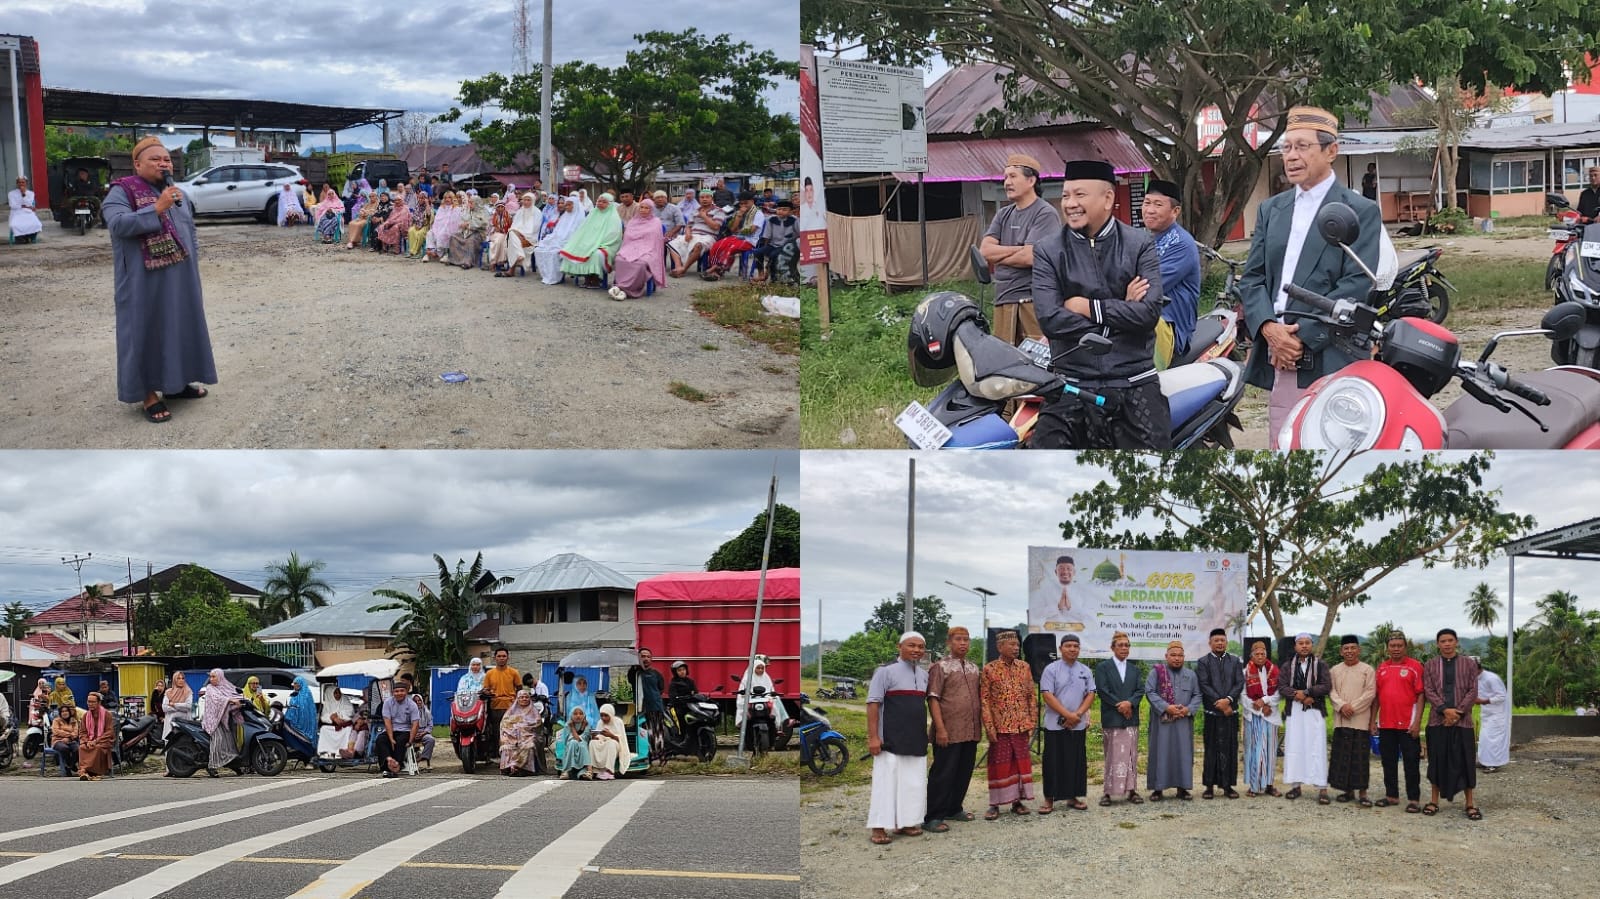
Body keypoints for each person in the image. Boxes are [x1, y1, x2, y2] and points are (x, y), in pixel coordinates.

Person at [1236, 107, 1382, 446]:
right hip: (1280, 353)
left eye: (1302, 146)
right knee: (1285, 444)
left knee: (1330, 448)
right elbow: (1253, 278)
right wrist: (1270, 330)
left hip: (1328, 352)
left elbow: (1356, 286)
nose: (1291, 156)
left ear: (1331, 151)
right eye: (1287, 148)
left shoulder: (1360, 211)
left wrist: (1301, 339)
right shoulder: (1272, 209)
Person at [1032, 158, 1168, 449]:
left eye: (1079, 195)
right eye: (1066, 195)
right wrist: (1121, 307)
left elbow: (1147, 313)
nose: (1070, 203)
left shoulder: (1139, 244)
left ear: (1107, 198)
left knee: (1151, 477)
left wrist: (1085, 306)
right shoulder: (1048, 250)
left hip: (1133, 379)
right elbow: (1050, 318)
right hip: (1072, 380)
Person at [103, 136, 218, 424]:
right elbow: (117, 224)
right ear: (137, 163)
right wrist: (155, 208)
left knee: (179, 325)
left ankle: (176, 385)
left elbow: (189, 230)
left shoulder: (176, 193)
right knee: (144, 330)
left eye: (166, 159)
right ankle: (148, 394)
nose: (163, 163)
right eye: (155, 159)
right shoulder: (122, 191)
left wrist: (193, 262)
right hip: (142, 280)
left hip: (180, 277)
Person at [978, 154, 1061, 346]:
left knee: (1036, 362)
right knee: (1005, 363)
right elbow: (985, 251)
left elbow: (1031, 257)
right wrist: (1020, 249)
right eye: (1006, 177)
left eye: (1013, 176)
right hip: (1004, 299)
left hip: (1032, 300)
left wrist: (1002, 254)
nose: (1007, 182)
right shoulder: (1003, 214)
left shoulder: (1045, 213)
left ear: (1031, 180)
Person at [866, 632, 930, 845]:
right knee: (886, 783)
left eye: (921, 647)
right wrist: (873, 737)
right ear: (899, 646)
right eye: (912, 645)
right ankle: (878, 826)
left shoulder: (923, 675)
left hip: (915, 738)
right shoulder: (885, 672)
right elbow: (873, 704)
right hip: (890, 740)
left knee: (913, 782)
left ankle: (907, 822)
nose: (917, 650)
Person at [924, 625, 981, 831]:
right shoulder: (940, 667)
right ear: (949, 642)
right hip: (948, 731)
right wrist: (940, 729)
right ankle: (933, 816)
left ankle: (954, 808)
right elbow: (933, 698)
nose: (963, 643)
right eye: (958, 639)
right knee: (943, 772)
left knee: (963, 771)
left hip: (971, 730)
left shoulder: (974, 668)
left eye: (966, 639)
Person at [1140, 180, 1201, 369]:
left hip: (1166, 325)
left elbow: (1147, 286)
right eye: (1147, 202)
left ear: (1175, 211)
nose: (1149, 210)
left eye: (1158, 205)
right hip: (1139, 316)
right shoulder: (1144, 238)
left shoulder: (1181, 243)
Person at [1423, 628, 1482, 819]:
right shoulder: (1430, 665)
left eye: (1450, 640)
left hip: (1463, 722)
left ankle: (1470, 803)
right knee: (1437, 761)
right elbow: (1428, 690)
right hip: (1437, 721)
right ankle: (1433, 801)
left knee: (1465, 762)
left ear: (1457, 642)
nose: (1447, 644)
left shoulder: (1469, 664)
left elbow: (1473, 690)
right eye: (1443, 641)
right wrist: (1444, 710)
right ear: (1437, 644)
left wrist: (1457, 712)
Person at [980, 630, 1036, 819]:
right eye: (1012, 645)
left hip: (1021, 725)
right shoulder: (989, 669)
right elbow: (985, 700)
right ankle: (994, 804)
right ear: (999, 647)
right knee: (999, 765)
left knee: (1020, 765)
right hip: (1000, 727)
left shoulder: (1024, 667)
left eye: (1017, 645)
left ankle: (1017, 802)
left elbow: (1031, 696)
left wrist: (1032, 722)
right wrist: (989, 727)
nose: (1016, 648)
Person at [1038, 633, 1096, 813]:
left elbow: (1091, 694)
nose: (1072, 649)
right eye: (1068, 645)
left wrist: (1077, 715)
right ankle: (1049, 799)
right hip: (1055, 724)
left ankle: (1072, 796)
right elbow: (1047, 694)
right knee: (1053, 761)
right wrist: (1066, 715)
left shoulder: (1085, 670)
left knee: (1075, 761)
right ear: (1060, 648)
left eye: (1076, 646)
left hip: (1077, 724)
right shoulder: (1051, 669)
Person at [1371, 632, 1424, 811]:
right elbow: (1377, 697)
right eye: (1392, 646)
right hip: (1386, 724)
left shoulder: (1415, 666)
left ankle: (1414, 799)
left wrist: (1417, 723)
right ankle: (1391, 795)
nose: (1396, 649)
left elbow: (1421, 695)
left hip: (1408, 725)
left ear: (1405, 647)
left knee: (1411, 762)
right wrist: (1373, 721)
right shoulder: (1382, 667)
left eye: (1399, 645)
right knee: (1388, 762)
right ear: (1387, 648)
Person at [1144, 639, 1202, 800]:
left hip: (1183, 721)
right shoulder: (1156, 672)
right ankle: (1158, 788)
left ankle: (1182, 788)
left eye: (1180, 655)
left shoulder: (1191, 675)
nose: (1177, 658)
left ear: (1184, 657)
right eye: (1173, 655)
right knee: (1160, 752)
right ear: (1166, 656)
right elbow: (1149, 692)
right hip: (1162, 722)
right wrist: (1166, 707)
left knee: (1183, 753)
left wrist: (1188, 709)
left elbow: (1197, 694)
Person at [1279, 633, 1333, 803]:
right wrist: (1298, 695)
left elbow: (1326, 686)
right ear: (1295, 646)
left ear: (1312, 645)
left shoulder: (1320, 665)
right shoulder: (1288, 666)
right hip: (1294, 711)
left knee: (1317, 747)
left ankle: (1322, 788)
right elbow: (1282, 687)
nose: (1304, 646)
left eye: (1307, 643)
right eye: (1300, 643)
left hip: (1315, 710)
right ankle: (1296, 786)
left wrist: (1309, 693)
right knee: (1294, 747)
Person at [1093, 631, 1144, 805]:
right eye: (1120, 645)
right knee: (1112, 755)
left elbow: (1139, 690)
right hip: (1112, 717)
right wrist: (1120, 706)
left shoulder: (1135, 669)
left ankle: (1131, 791)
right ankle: (1107, 792)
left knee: (1131, 755)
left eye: (1126, 645)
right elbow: (1102, 690)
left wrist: (1129, 704)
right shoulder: (1103, 667)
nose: (1124, 648)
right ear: (1112, 647)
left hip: (1131, 718)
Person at [1195, 627, 1244, 799]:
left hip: (1231, 712)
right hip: (1212, 713)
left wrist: (1229, 700)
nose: (1220, 643)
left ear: (1226, 642)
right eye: (1216, 640)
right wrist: (1220, 703)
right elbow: (1204, 684)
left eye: (1222, 640)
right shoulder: (1203, 662)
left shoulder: (1235, 661)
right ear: (1210, 643)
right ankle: (1209, 786)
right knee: (1211, 749)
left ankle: (1228, 786)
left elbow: (1239, 683)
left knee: (1230, 749)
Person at [1328, 634, 1377, 806]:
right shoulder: (1334, 670)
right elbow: (1331, 691)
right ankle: (1347, 791)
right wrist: (1342, 706)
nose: (1349, 651)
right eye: (1346, 648)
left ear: (1359, 650)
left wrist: (1352, 707)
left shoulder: (1367, 670)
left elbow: (1370, 693)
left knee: (1360, 757)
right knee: (1343, 756)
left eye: (1352, 648)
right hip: (1341, 719)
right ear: (1341, 651)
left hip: (1360, 720)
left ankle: (1363, 793)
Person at [1241, 639, 1282, 797]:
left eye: (1262, 654)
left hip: (1270, 715)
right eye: (1256, 654)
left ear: (1266, 655)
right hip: (1254, 716)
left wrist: (1265, 702)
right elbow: (1242, 697)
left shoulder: (1275, 671)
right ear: (1251, 656)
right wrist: (1258, 707)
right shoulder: (1245, 672)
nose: (1260, 656)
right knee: (1255, 751)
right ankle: (1254, 786)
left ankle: (1270, 785)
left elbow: (1279, 693)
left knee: (1271, 752)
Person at [559, 192, 624, 287]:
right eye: (599, 201)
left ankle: (596, 280)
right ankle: (587, 278)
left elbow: (613, 236)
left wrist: (596, 244)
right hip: (591, 243)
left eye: (604, 202)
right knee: (577, 248)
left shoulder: (614, 217)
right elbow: (583, 231)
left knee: (596, 254)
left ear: (609, 204)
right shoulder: (593, 213)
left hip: (606, 245)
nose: (600, 203)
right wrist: (585, 242)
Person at [609, 198, 668, 300]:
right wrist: (633, 248)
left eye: (646, 208)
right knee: (620, 259)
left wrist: (642, 249)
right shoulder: (633, 221)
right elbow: (627, 238)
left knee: (640, 263)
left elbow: (655, 240)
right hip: (630, 247)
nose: (643, 210)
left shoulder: (656, 222)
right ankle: (621, 287)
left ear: (651, 210)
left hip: (649, 250)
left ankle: (628, 290)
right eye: (641, 207)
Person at [704, 190, 765, 280]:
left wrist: (739, 232)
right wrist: (739, 216)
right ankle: (714, 267)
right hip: (738, 237)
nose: (743, 206)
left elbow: (752, 230)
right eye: (741, 204)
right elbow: (732, 229)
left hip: (750, 240)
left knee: (731, 248)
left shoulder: (758, 213)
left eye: (746, 203)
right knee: (718, 245)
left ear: (752, 202)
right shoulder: (738, 212)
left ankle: (718, 270)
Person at [669, 190, 726, 276]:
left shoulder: (719, 211)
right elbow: (688, 225)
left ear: (712, 198)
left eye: (707, 197)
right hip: (693, 235)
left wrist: (704, 216)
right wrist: (688, 233)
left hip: (708, 236)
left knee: (698, 245)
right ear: (699, 199)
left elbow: (715, 226)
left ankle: (684, 268)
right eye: (702, 197)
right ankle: (678, 267)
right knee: (673, 243)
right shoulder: (696, 211)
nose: (704, 199)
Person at [534, 194, 586, 284]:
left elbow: (576, 236)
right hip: (558, 240)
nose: (567, 207)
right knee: (539, 249)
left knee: (553, 252)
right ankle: (547, 275)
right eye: (567, 204)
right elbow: (556, 232)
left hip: (570, 243)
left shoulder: (579, 219)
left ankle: (555, 277)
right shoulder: (564, 216)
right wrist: (550, 238)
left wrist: (561, 241)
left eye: (570, 205)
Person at [199, 668, 242, 776]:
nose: (211, 679)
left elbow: (233, 693)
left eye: (214, 676)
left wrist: (241, 699)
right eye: (211, 677)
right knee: (218, 740)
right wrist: (230, 700)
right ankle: (211, 766)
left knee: (231, 742)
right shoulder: (210, 688)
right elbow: (217, 699)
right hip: (213, 720)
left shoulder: (225, 686)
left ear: (220, 677)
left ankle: (233, 764)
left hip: (224, 719)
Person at [750, 198, 798, 284]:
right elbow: (767, 236)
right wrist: (765, 248)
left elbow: (799, 235)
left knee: (773, 255)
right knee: (757, 252)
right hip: (773, 244)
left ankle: (773, 278)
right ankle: (761, 274)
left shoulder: (795, 220)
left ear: (791, 211)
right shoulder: (771, 219)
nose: (781, 211)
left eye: (784, 209)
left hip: (787, 246)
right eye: (779, 209)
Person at [497, 688, 543, 776]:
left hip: (529, 736)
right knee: (506, 745)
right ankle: (509, 767)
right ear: (517, 699)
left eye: (526, 697)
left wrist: (524, 727)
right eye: (521, 697)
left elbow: (538, 724)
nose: (524, 699)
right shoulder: (510, 712)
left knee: (528, 746)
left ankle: (523, 768)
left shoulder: (534, 712)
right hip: (512, 736)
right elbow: (504, 724)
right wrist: (513, 730)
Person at [483, 648, 521, 752]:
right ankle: (498, 753)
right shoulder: (489, 674)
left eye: (504, 656)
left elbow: (519, 689)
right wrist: (487, 692)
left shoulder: (514, 672)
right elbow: (486, 689)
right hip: (495, 706)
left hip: (511, 707)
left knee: (511, 731)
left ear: (508, 658)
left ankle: (512, 753)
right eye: (499, 656)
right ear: (494, 658)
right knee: (496, 731)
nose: (501, 658)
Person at [1477, 665, 1510, 772]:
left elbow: (1501, 696)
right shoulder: (1476, 678)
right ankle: (1484, 761)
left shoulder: (1491, 678)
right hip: (1487, 713)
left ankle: (1493, 764)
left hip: (1497, 714)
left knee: (1493, 740)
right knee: (1484, 739)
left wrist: (1483, 701)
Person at [501, 192, 542, 277]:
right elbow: (514, 225)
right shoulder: (520, 211)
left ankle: (512, 269)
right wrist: (517, 233)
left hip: (529, 239)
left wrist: (521, 234)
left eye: (528, 200)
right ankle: (519, 255)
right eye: (525, 200)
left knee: (512, 239)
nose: (526, 202)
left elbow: (535, 228)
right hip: (517, 236)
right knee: (511, 233)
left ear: (533, 201)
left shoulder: (537, 212)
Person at [77, 692, 115, 780]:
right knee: (82, 747)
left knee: (97, 748)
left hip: (104, 741)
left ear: (99, 703)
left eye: (93, 702)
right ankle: (84, 772)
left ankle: (95, 773)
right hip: (89, 740)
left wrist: (96, 741)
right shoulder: (86, 715)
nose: (90, 704)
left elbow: (109, 732)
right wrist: (87, 741)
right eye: (88, 702)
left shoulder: (107, 714)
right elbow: (82, 732)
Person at [587, 703, 631, 780]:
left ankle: (610, 771)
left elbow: (621, 740)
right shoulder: (600, 722)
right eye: (602, 715)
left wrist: (611, 735)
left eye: (606, 715)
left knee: (611, 743)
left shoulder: (618, 722)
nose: (603, 718)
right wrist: (594, 736)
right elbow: (599, 737)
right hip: (603, 743)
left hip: (615, 745)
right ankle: (595, 770)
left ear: (611, 714)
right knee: (592, 743)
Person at [447, 195, 489, 269]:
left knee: (470, 241)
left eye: (471, 203)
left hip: (478, 233)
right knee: (453, 237)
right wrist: (463, 224)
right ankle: (454, 260)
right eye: (469, 202)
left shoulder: (483, 212)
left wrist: (468, 224)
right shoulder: (468, 210)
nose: (469, 204)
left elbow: (482, 223)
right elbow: (462, 220)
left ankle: (468, 262)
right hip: (466, 232)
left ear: (476, 203)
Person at [636, 648, 666, 747]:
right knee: (642, 734)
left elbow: (661, 689)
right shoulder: (635, 674)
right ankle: (644, 756)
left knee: (657, 733)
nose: (646, 659)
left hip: (655, 707)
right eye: (643, 656)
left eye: (648, 657)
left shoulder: (656, 674)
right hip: (639, 709)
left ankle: (658, 756)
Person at [424, 191, 461, 262]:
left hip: (450, 229)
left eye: (449, 197)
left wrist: (444, 229)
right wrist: (436, 229)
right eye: (445, 198)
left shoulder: (456, 209)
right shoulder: (441, 208)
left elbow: (455, 222)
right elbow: (437, 220)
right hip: (439, 228)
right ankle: (429, 253)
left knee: (442, 234)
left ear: (453, 198)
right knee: (430, 233)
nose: (447, 199)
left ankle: (439, 254)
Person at [557, 707, 592, 779]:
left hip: (583, 744)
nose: (578, 716)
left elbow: (583, 738)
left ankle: (587, 772)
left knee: (582, 745)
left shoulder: (587, 725)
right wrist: (572, 727)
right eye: (575, 714)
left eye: (581, 714)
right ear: (571, 715)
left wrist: (579, 727)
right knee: (573, 743)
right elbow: (569, 739)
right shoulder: (567, 725)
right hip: (570, 745)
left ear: (584, 716)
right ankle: (566, 771)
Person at [8, 175, 42, 242]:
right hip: (16, 212)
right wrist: (23, 206)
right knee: (15, 225)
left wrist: (23, 194)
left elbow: (29, 203)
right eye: (19, 182)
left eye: (23, 182)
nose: (21, 184)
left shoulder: (30, 193)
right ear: (17, 183)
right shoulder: (11, 193)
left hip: (27, 212)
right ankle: (20, 238)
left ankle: (29, 237)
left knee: (36, 224)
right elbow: (12, 205)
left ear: (26, 183)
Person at [284, 675, 317, 743]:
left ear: (300, 684)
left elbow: (305, 708)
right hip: (295, 717)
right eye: (294, 684)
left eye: (296, 684)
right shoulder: (296, 693)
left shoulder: (307, 694)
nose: (294, 686)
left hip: (304, 721)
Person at [162, 675, 194, 743]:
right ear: (174, 680)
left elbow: (188, 706)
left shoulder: (188, 692)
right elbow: (164, 707)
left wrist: (174, 704)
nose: (181, 680)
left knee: (184, 744)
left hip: (184, 723)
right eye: (178, 678)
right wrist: (180, 708)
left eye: (183, 678)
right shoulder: (168, 692)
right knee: (170, 745)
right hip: (171, 723)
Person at [51, 704, 81, 776]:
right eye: (62, 711)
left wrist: (68, 737)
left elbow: (76, 733)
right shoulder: (56, 720)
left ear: (69, 712)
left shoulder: (74, 721)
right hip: (58, 741)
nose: (65, 713)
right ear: (60, 713)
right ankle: (71, 766)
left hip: (71, 740)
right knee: (64, 748)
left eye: (66, 711)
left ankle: (69, 766)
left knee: (78, 749)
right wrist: (69, 735)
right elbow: (56, 731)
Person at [486, 198, 515, 270]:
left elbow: (511, 227)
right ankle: (497, 262)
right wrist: (495, 229)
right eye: (498, 207)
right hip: (494, 234)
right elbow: (489, 227)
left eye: (502, 207)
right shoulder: (493, 216)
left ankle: (496, 262)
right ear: (496, 208)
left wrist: (504, 230)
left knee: (501, 241)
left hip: (505, 234)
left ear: (504, 208)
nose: (500, 208)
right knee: (498, 241)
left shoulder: (509, 216)